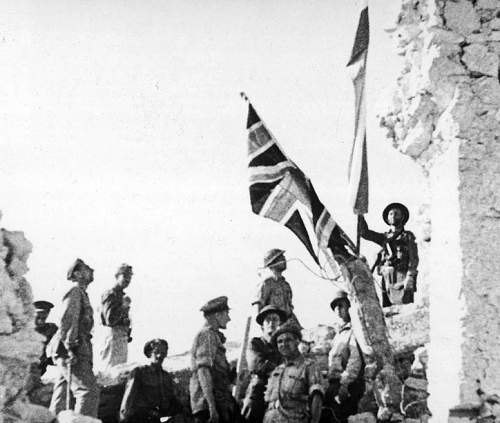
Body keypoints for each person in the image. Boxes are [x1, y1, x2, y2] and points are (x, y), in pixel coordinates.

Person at [47, 258, 100, 417]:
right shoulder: (76, 292)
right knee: (88, 392)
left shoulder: (82, 293)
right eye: (86, 269)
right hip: (72, 347)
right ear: (77, 273)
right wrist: (70, 347)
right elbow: (68, 319)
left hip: (69, 347)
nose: (91, 271)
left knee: (62, 394)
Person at [189, 296, 239, 423]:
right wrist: (212, 407)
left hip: (220, 400)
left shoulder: (213, 336)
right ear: (217, 315)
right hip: (210, 404)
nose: (229, 319)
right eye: (226, 314)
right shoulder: (207, 335)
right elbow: (203, 371)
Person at [359, 202, 419, 307]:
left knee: (403, 307)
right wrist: (360, 216)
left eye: (397, 213)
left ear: (402, 217)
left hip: (402, 277)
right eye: (391, 214)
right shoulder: (384, 238)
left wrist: (410, 276)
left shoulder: (408, 236)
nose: (393, 215)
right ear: (387, 219)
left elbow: (413, 258)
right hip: (387, 278)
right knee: (389, 310)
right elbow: (365, 233)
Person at [263, 320, 323, 423]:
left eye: (288, 340)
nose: (283, 344)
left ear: (297, 341)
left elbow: (317, 398)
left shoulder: (309, 367)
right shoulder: (277, 371)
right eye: (280, 341)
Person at [241, 305, 287, 423]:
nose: (272, 323)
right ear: (262, 326)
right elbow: (258, 365)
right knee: (250, 411)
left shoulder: (285, 347)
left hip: (281, 393)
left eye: (275, 319)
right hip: (259, 392)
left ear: (280, 325)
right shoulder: (255, 344)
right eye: (268, 320)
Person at [323, 290, 364, 423]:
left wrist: (344, 385)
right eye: (335, 307)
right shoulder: (338, 336)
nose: (338, 310)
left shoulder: (354, 330)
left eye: (341, 305)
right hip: (333, 384)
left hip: (348, 385)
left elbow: (355, 360)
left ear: (348, 307)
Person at [119, 339, 183, 423]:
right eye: (156, 352)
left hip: (159, 418)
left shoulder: (166, 377)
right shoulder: (139, 372)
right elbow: (128, 401)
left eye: (163, 353)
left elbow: (172, 400)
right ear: (149, 353)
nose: (160, 355)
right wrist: (123, 419)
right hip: (141, 418)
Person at [252, 249, 300, 326]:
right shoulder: (266, 284)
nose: (284, 260)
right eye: (281, 258)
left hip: (287, 326)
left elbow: (289, 311)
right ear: (272, 263)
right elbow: (258, 309)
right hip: (273, 326)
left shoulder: (286, 285)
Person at [100, 263, 133, 369]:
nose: (128, 280)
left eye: (130, 277)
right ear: (117, 276)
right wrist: (123, 307)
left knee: (120, 370)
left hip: (121, 336)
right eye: (125, 276)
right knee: (111, 371)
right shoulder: (110, 294)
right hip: (114, 336)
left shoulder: (121, 295)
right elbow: (109, 319)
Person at [34, 300, 58, 375]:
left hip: (40, 366)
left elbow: (63, 338)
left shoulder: (50, 328)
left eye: (44, 318)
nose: (41, 321)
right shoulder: (24, 328)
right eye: (38, 318)